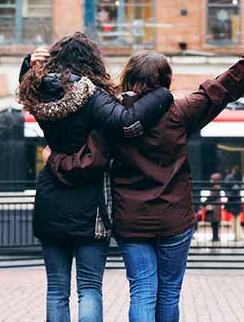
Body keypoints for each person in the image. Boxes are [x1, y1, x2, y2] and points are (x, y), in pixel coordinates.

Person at [48, 29, 244, 322]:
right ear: (166, 81)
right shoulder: (181, 113)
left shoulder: (111, 115)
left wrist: (57, 160)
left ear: (128, 78)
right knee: (170, 292)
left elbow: (78, 140)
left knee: (143, 291)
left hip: (131, 221)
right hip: (174, 220)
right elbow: (224, 88)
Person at [17, 32, 173, 322]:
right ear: (92, 62)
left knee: (56, 290)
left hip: (50, 198)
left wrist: (28, 64)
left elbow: (27, 82)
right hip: (91, 206)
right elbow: (128, 121)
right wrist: (162, 94)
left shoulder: (37, 94)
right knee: (89, 289)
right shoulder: (93, 97)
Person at [224, 166, 243, 241]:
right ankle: (238, 237)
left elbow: (228, 194)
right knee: (236, 222)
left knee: (235, 222)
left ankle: (238, 237)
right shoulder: (234, 184)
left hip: (235, 206)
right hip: (236, 205)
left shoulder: (229, 185)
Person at [205, 173, 223, 242]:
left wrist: (204, 203)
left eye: (212, 179)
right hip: (216, 207)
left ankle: (215, 237)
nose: (211, 180)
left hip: (215, 208)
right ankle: (215, 237)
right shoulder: (217, 186)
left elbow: (211, 197)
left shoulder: (215, 187)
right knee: (215, 223)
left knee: (214, 223)